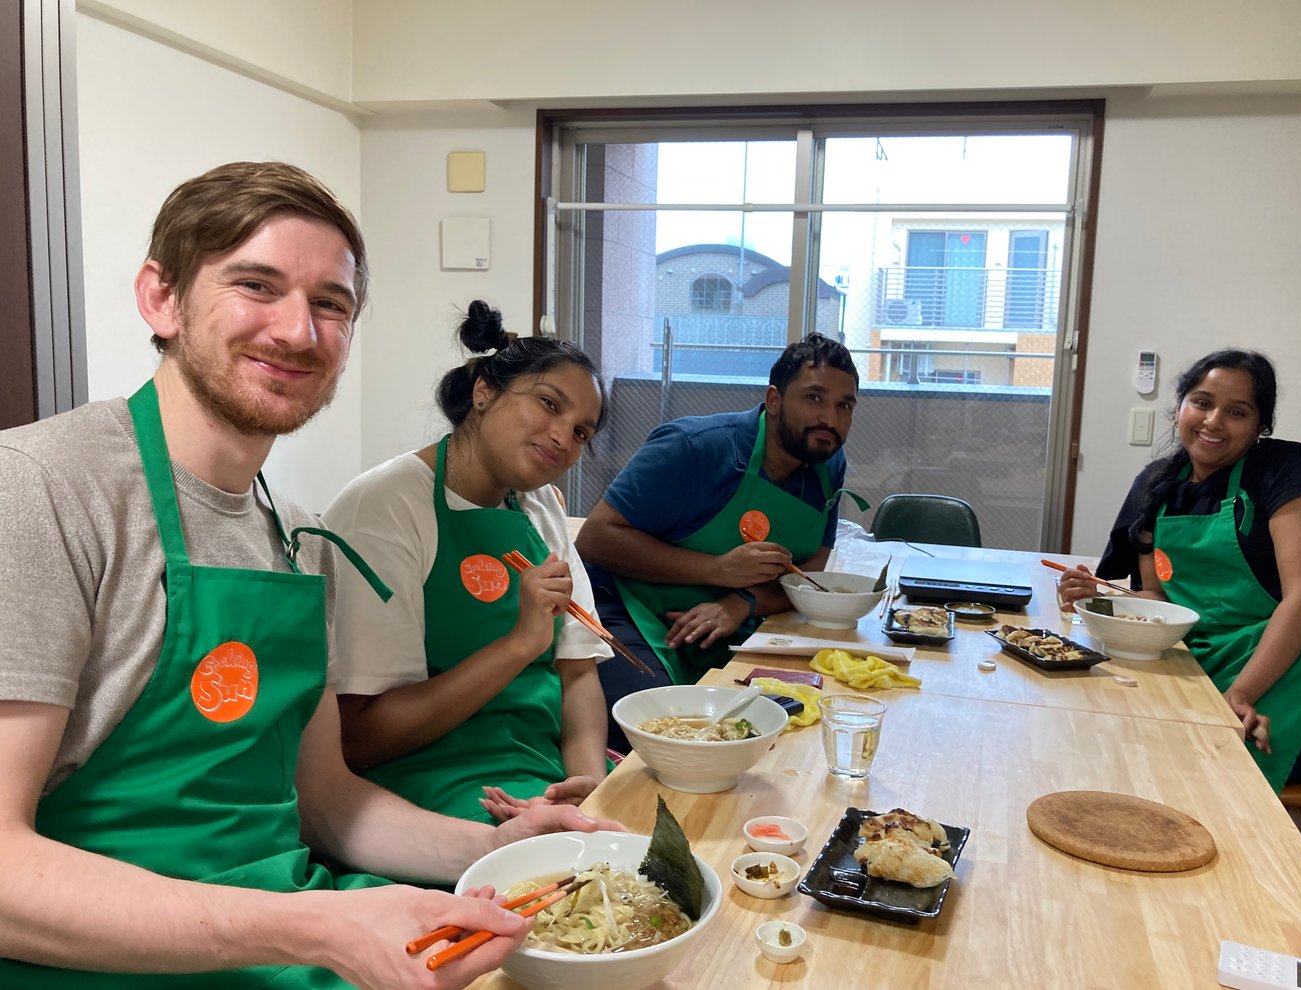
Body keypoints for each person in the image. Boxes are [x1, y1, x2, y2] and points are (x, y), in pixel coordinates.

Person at [0, 162, 618, 990]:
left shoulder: (298, 538)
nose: (299, 331)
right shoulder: (43, 487)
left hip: (281, 932)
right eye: (257, 285)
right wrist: (318, 924)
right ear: (161, 298)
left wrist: (490, 849)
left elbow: (328, 798)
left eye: (331, 303)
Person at [324, 301, 612, 826]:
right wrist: (520, 644)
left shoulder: (539, 505)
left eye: (580, 433)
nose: (562, 437)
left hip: (540, 767)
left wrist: (588, 788)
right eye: (549, 404)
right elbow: (362, 737)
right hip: (424, 783)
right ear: (484, 392)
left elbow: (577, 672)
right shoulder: (384, 507)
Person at [1059, 349, 1301, 792]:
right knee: (1123, 737)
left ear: (1261, 426)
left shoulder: (1294, 475)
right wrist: (1099, 600)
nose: (1214, 421)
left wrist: (1241, 694)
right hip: (1211, 652)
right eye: (1202, 402)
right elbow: (1158, 599)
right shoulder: (1156, 485)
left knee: (1212, 762)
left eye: (1237, 412)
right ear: (1180, 406)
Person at [576, 333, 864, 752]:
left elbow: (815, 563)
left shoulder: (826, 462)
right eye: (814, 398)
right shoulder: (695, 449)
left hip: (722, 621)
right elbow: (595, 539)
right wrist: (716, 571)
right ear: (774, 400)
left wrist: (742, 601)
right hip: (623, 606)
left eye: (845, 405)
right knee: (656, 732)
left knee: (782, 722)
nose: (831, 419)